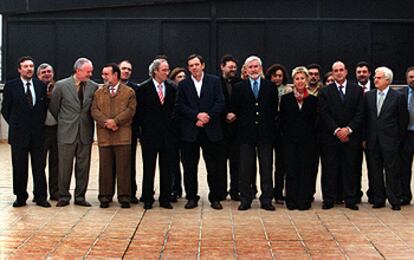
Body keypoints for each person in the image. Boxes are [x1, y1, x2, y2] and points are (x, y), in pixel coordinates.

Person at [177, 54, 225, 210]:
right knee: (190, 167)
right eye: (191, 65)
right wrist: (196, 116)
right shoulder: (183, 84)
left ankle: (215, 198)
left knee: (213, 167)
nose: (194, 68)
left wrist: (207, 116)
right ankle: (191, 197)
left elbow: (220, 102)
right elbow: (181, 106)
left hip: (211, 130)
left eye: (196, 64)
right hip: (190, 131)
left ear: (203, 65)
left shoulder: (215, 81)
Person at [1, 56, 50, 208]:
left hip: (37, 134)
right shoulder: (11, 86)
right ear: (19, 69)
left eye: (31, 66)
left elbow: (43, 108)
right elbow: (5, 110)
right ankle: (20, 196)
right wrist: (16, 125)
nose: (29, 69)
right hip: (18, 134)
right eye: (26, 66)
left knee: (39, 166)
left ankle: (41, 196)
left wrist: (37, 125)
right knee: (19, 166)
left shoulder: (40, 85)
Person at [231, 55, 278, 211]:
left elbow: (273, 110)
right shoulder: (239, 87)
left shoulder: (270, 86)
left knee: (266, 168)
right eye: (250, 67)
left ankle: (266, 200)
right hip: (245, 135)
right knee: (245, 169)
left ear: (261, 68)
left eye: (256, 66)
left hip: (265, 134)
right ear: (246, 70)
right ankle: (246, 199)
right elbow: (235, 109)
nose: (253, 70)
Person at [49, 57, 98, 207]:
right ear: (78, 70)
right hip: (66, 133)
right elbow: (54, 108)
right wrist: (66, 122)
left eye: (91, 72)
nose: (90, 74)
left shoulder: (93, 86)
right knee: (64, 166)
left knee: (83, 167)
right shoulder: (61, 86)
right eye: (88, 71)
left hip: (85, 132)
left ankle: (80, 196)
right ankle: (63, 196)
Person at [318, 61, 363, 210]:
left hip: (351, 137)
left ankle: (350, 199)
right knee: (329, 168)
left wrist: (348, 130)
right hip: (331, 137)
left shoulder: (357, 90)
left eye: (341, 70)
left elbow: (360, 112)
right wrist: (337, 130)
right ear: (332, 72)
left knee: (350, 168)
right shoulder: (325, 91)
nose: (338, 73)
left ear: (346, 71)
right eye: (335, 70)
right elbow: (324, 114)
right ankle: (329, 199)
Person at [91, 63, 136, 208]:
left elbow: (130, 110)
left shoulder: (128, 92)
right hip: (105, 135)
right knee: (105, 167)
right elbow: (94, 110)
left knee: (123, 167)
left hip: (122, 135)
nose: (104, 77)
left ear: (115, 75)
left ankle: (124, 196)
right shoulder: (99, 92)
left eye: (106, 74)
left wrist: (116, 121)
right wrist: (106, 122)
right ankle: (105, 196)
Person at [363, 66, 408, 210]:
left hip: (390, 141)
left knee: (392, 171)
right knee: (374, 171)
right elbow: (365, 119)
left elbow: (403, 120)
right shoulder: (368, 96)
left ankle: (394, 199)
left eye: (378, 77)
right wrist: (365, 138)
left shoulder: (398, 97)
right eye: (375, 77)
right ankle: (378, 199)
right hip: (372, 141)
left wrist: (397, 139)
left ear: (387, 80)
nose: (375, 79)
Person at [137, 59, 177, 209]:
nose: (167, 73)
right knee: (149, 167)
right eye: (164, 70)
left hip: (167, 135)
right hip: (149, 135)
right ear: (155, 71)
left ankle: (165, 197)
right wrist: (141, 133)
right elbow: (139, 113)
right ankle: (147, 197)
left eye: (168, 70)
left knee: (166, 167)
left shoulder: (172, 88)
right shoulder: (144, 88)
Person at [280, 66, 318, 210]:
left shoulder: (314, 101)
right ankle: (291, 200)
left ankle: (304, 201)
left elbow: (316, 121)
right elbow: (282, 121)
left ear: (307, 80)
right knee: (291, 171)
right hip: (290, 142)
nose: (300, 81)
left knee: (306, 171)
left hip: (308, 142)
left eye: (302, 78)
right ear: (293, 80)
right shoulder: (286, 99)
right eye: (297, 78)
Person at [265, 64, 292, 204]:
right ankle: (269, 192)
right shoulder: (265, 89)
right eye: (275, 76)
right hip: (268, 130)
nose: (277, 78)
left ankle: (280, 192)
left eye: (280, 76)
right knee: (267, 163)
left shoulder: (288, 90)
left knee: (282, 164)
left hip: (283, 131)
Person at [220, 54, 242, 201]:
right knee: (220, 163)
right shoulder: (215, 82)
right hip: (220, 129)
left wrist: (236, 114)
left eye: (234, 67)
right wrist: (224, 115)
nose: (233, 69)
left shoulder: (241, 83)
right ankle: (221, 192)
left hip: (237, 130)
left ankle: (235, 191)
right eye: (230, 67)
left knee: (236, 163)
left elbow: (244, 104)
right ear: (222, 67)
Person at [118, 60, 140, 204]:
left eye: (129, 70)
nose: (126, 71)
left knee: (129, 164)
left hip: (130, 131)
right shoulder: (107, 88)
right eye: (123, 69)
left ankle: (130, 193)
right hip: (111, 130)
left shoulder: (136, 89)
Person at [37, 63, 59, 201]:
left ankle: (55, 192)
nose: (47, 74)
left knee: (56, 163)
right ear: (38, 75)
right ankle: (39, 192)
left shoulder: (59, 87)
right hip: (40, 131)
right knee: (39, 164)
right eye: (43, 72)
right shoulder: (35, 88)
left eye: (49, 71)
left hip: (57, 130)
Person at [355, 61, 374, 203]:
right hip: (354, 135)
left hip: (373, 136)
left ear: (369, 74)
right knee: (354, 167)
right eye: (359, 72)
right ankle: (355, 194)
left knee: (373, 167)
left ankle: (374, 195)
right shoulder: (351, 89)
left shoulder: (377, 88)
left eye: (364, 72)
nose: (362, 74)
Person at [168, 66, 187, 202]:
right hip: (173, 131)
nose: (182, 79)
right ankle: (175, 188)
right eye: (179, 77)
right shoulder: (170, 91)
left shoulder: (188, 91)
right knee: (173, 162)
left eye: (184, 77)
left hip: (186, 131)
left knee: (186, 162)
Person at [400, 66, 414, 206]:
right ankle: (405, 195)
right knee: (404, 168)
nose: (413, 79)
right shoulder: (400, 94)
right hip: (406, 136)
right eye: (411, 77)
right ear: (406, 79)